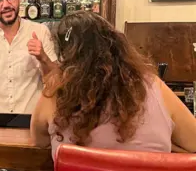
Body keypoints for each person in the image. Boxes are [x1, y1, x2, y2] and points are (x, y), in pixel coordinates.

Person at [30, 11, 196, 160]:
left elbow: (39, 141)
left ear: (65, 54)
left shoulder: (55, 94)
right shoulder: (154, 86)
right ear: (116, 44)